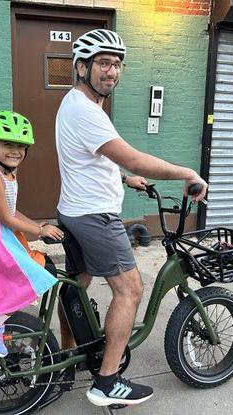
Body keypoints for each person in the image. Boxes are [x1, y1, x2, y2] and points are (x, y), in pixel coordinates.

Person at [55, 29, 208, 407]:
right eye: (104, 63)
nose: (112, 72)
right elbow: (133, 156)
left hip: (74, 210)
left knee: (76, 284)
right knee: (130, 290)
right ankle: (106, 381)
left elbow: (90, 157)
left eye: (117, 64)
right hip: (95, 217)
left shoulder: (76, 104)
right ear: (81, 67)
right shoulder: (86, 110)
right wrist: (187, 172)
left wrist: (124, 179)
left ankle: (66, 356)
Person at [0, 110, 64, 357]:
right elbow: (4, 218)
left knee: (32, 269)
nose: (15, 151)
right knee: (30, 277)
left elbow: (12, 211)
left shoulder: (9, 173)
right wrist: (39, 230)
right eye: (8, 145)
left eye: (21, 146)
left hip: (2, 232)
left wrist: (37, 225)